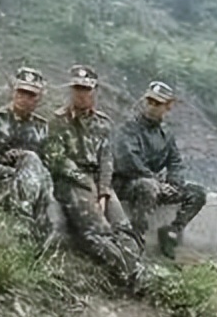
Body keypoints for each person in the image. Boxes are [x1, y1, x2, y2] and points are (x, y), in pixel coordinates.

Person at [46, 65, 144, 287]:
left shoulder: (103, 123)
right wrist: (86, 183)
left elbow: (107, 161)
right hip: (71, 182)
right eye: (77, 89)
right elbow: (56, 159)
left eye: (86, 89)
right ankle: (128, 275)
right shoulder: (57, 121)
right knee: (99, 231)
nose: (81, 94)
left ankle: (138, 271)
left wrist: (103, 192)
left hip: (97, 182)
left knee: (123, 228)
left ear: (94, 92)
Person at [113, 81, 207, 259]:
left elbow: (176, 162)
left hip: (156, 184)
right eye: (149, 101)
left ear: (168, 106)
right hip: (128, 184)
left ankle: (172, 231)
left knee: (197, 192)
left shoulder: (166, 133)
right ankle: (136, 239)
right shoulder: (129, 128)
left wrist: (173, 183)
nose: (151, 107)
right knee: (148, 186)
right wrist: (156, 181)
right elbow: (128, 161)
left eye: (157, 103)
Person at [0, 67, 62, 241]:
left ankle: (39, 244)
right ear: (13, 92)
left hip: (34, 186)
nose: (24, 98)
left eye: (30, 95)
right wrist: (12, 170)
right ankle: (24, 225)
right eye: (21, 92)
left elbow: (49, 163)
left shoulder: (41, 126)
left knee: (35, 165)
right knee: (31, 159)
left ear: (38, 99)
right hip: (0, 183)